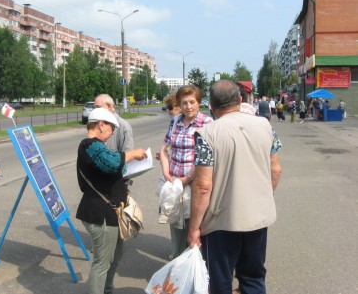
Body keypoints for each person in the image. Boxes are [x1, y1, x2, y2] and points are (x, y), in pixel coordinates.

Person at [188, 80, 282, 294]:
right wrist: (263, 198)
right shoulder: (265, 126)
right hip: (258, 217)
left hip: (221, 222)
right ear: (240, 100)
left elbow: (202, 186)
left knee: (220, 281)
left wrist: (194, 229)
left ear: (211, 104)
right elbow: (275, 170)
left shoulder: (206, 134)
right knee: (254, 277)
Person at [76, 107, 147, 294]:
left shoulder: (96, 146)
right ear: (101, 125)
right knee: (102, 262)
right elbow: (112, 163)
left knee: (115, 256)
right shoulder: (90, 144)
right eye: (111, 128)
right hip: (100, 213)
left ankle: (107, 290)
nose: (112, 133)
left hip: (109, 212)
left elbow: (110, 166)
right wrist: (132, 154)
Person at [159, 85, 213, 260]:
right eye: (184, 103)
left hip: (195, 184)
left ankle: (194, 269)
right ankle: (176, 266)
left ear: (199, 103)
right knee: (175, 227)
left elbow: (207, 157)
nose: (188, 106)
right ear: (179, 104)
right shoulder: (175, 121)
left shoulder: (207, 124)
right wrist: (167, 173)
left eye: (192, 102)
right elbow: (164, 148)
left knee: (195, 228)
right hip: (175, 184)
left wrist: (187, 178)